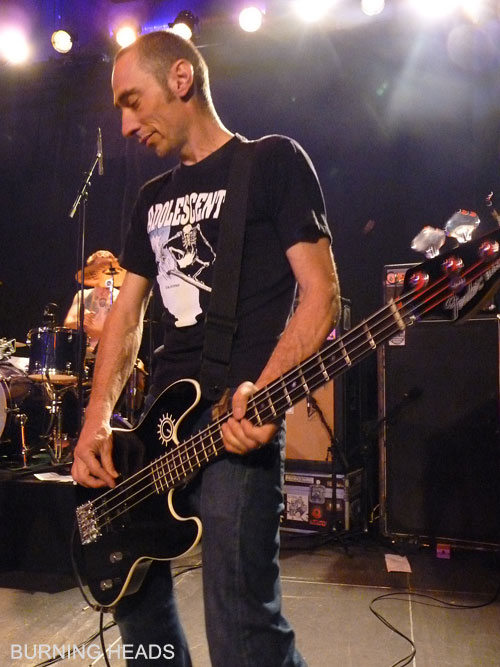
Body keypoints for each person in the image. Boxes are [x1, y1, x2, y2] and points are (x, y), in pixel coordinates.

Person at [72, 30, 341, 667]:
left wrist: (266, 394)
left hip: (233, 423)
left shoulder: (272, 162)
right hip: (155, 430)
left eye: (133, 102)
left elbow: (321, 293)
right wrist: (96, 420)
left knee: (241, 627)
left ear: (181, 79)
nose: (126, 124)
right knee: (133, 598)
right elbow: (127, 317)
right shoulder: (150, 199)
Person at [64, 250, 121, 352]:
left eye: (107, 267)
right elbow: (67, 324)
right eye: (100, 267)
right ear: (92, 272)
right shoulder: (82, 295)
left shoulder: (120, 296)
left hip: (111, 351)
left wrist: (92, 329)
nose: (104, 271)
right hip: (85, 351)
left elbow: (122, 330)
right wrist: (81, 322)